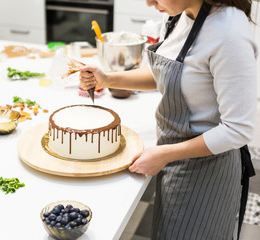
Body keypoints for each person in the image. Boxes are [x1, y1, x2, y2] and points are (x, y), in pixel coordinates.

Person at [79, 0, 257, 239]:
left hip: (206, 172)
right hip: (174, 158)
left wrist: (165, 154)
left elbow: (237, 130)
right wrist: (108, 79)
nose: (149, 2)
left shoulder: (229, 34)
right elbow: (162, 73)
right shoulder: (180, 14)